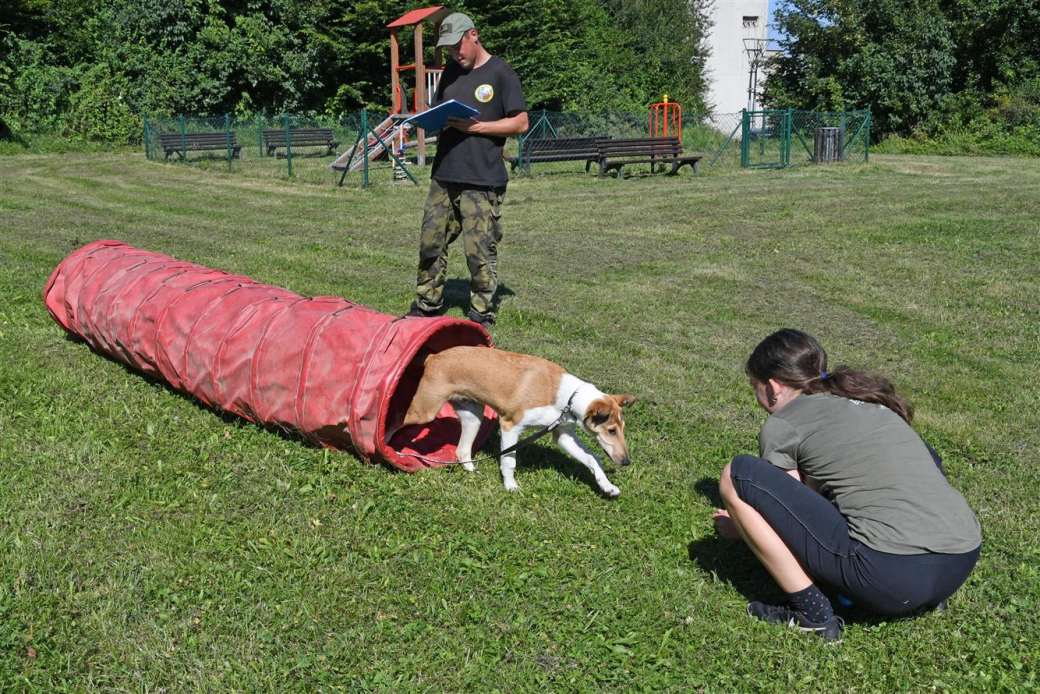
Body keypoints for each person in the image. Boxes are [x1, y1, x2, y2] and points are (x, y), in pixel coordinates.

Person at [714, 328, 981, 642]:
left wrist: (742, 529)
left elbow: (787, 517)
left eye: (753, 386)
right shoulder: (866, 403)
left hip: (892, 578)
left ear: (772, 388)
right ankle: (923, 594)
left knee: (739, 473)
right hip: (960, 562)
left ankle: (812, 615)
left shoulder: (783, 423)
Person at [405, 12, 529, 328]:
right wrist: (427, 120)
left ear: (473, 35)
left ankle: (481, 313)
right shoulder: (449, 73)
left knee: (479, 252)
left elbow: (520, 122)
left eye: (457, 46)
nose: (454, 54)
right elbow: (439, 111)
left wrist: (479, 127)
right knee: (430, 243)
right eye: (448, 49)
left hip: (482, 178)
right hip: (444, 174)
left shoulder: (502, 74)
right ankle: (427, 304)